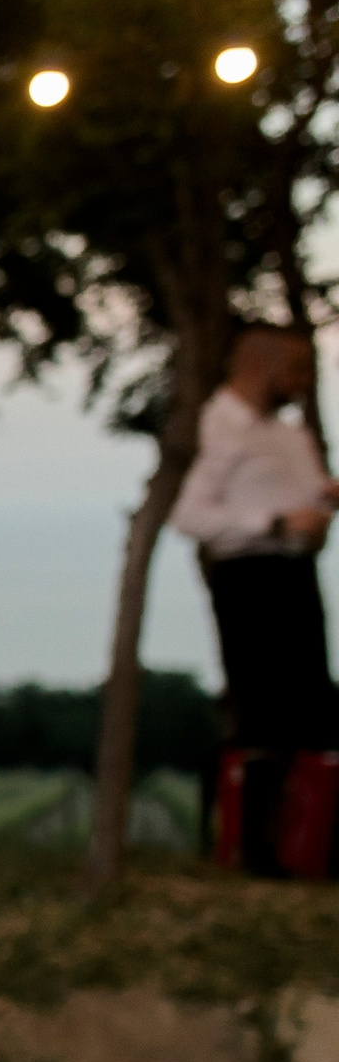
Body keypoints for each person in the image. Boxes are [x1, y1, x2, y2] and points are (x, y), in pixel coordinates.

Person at [170, 324, 339, 863]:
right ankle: (254, 847)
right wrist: (271, 520)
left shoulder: (292, 437)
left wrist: (319, 512)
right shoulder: (219, 427)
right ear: (264, 367)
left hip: (295, 574)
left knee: (313, 702)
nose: (304, 382)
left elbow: (311, 507)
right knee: (261, 704)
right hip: (246, 577)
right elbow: (191, 515)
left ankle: (309, 844)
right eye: (297, 369)